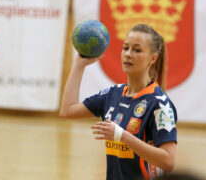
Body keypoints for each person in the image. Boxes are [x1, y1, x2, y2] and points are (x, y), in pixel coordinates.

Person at [60, 24, 178, 180]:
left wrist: (122, 135)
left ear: (153, 58)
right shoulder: (113, 94)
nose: (128, 54)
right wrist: (79, 65)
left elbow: (168, 161)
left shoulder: (159, 104)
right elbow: (67, 111)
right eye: (126, 48)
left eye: (137, 50)